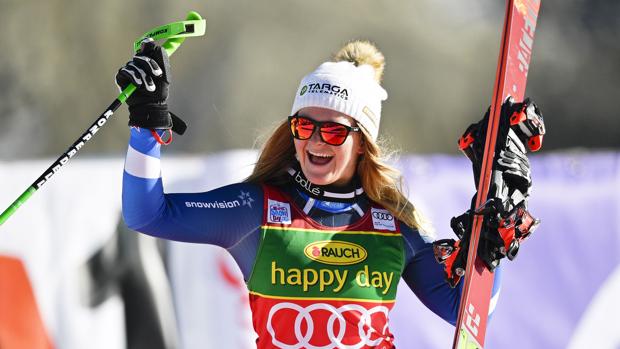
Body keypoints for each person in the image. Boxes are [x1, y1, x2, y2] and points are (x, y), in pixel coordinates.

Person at [118, 38, 540, 348]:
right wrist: (146, 127)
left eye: (335, 130)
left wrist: (494, 236)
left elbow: (466, 313)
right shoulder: (256, 209)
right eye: (305, 126)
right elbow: (147, 214)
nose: (316, 141)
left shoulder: (395, 222)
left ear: (363, 144)